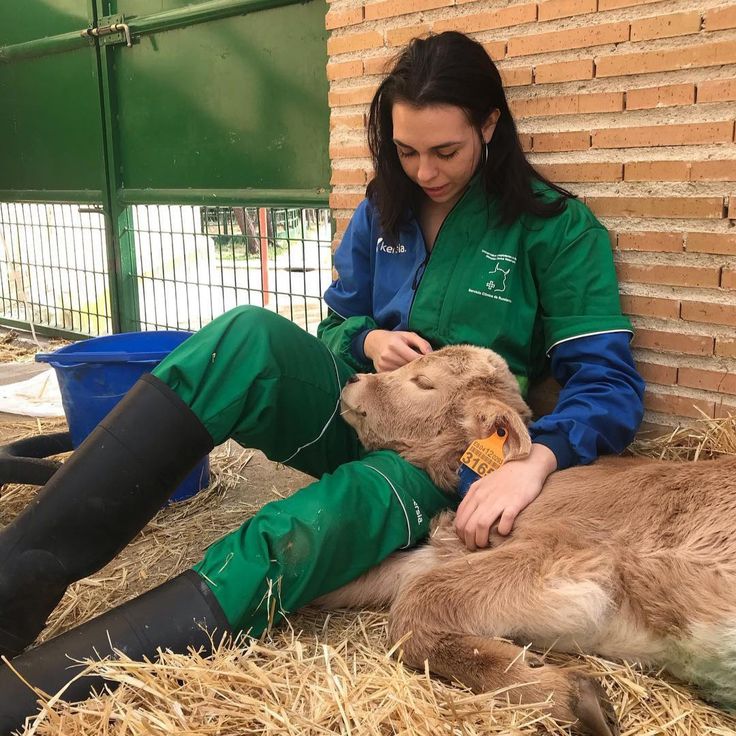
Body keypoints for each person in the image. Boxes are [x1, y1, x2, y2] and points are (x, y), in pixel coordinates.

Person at [0, 31, 643, 729]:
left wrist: (531, 464)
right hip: (365, 406)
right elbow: (334, 327)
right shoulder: (383, 211)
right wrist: (366, 338)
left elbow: (607, 385)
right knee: (242, 338)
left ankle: (34, 690)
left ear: (489, 126)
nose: (424, 171)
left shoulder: (553, 227)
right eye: (405, 150)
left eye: (446, 151)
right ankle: (13, 588)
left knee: (309, 522)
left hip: (461, 454)